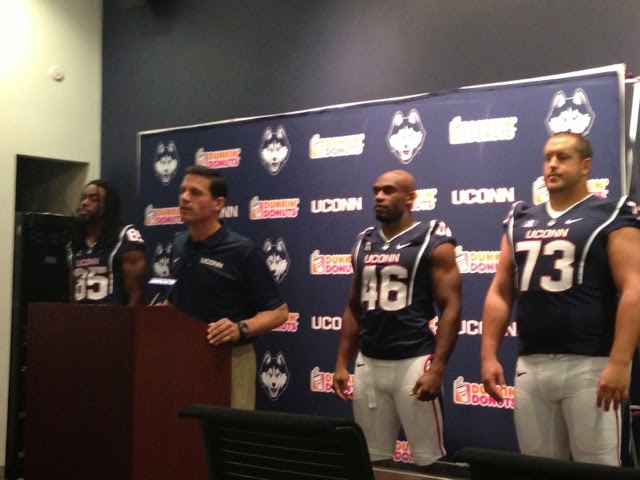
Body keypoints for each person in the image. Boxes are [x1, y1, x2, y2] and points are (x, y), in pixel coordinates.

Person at [481, 131, 640, 465]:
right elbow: (500, 291)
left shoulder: (610, 213)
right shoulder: (521, 218)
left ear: (586, 166)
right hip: (531, 364)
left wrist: (619, 361)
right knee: (538, 469)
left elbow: (634, 288)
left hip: (590, 364)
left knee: (597, 470)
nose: (552, 165)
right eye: (548, 158)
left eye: (563, 157)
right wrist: (488, 355)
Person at [332, 169, 462, 466]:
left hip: (413, 362)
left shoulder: (432, 241)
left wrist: (437, 368)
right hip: (369, 363)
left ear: (410, 198)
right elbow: (353, 307)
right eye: (376, 190)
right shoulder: (364, 243)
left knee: (428, 461)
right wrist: (341, 363)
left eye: (389, 190)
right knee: (372, 459)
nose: (379, 196)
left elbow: (451, 307)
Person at [168, 165, 288, 410]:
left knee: (230, 430)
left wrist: (239, 328)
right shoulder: (179, 244)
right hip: (181, 356)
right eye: (182, 191)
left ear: (218, 203)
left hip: (230, 359)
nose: (185, 198)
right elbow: (176, 300)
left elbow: (279, 313)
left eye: (195, 192)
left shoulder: (242, 250)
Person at [67, 179, 147, 306]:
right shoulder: (75, 243)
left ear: (108, 205)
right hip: (81, 316)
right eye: (83, 198)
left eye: (93, 199)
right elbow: (73, 296)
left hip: (112, 316)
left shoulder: (125, 237)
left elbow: (136, 294)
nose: (84, 203)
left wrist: (125, 319)